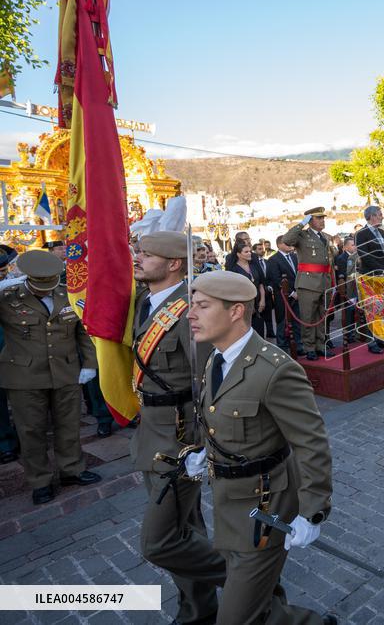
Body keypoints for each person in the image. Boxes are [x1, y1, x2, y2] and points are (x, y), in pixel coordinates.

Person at [185, 271, 335, 624]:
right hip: (229, 503)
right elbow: (220, 415)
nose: (191, 314)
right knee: (258, 595)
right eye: (193, 305)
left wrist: (313, 511)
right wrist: (206, 450)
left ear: (236, 311)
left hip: (265, 508)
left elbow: (311, 443)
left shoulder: (275, 369)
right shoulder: (217, 357)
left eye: (202, 306)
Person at [131, 232, 227, 624]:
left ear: (173, 263)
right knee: (185, 531)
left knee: (166, 540)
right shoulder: (145, 301)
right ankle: (199, 610)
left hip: (179, 440)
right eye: (138, 251)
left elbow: (209, 382)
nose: (137, 258)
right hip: (151, 430)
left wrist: (205, 443)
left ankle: (253, 587)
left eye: (146, 254)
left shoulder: (190, 308)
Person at [0, 250, 101, 505]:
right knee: (31, 430)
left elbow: (84, 331)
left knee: (69, 424)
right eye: (39, 284)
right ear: (28, 277)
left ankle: (72, 470)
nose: (45, 289)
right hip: (24, 376)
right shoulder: (8, 297)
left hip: (65, 371)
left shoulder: (68, 293)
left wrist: (89, 364)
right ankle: (40, 481)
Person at [283, 207, 338, 360]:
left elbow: (331, 259)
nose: (322, 220)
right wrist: (301, 224)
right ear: (310, 220)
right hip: (308, 282)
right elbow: (287, 240)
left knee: (322, 316)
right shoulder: (302, 235)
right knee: (308, 317)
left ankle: (321, 345)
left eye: (323, 218)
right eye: (318, 218)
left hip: (324, 281)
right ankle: (309, 348)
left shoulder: (325, 237)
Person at [354, 205, 384, 354]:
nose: (382, 217)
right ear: (372, 216)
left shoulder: (382, 232)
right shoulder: (361, 234)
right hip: (369, 277)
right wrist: (382, 270)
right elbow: (364, 255)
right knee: (371, 309)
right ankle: (372, 341)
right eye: (380, 215)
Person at [266, 235, 303, 354]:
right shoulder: (273, 260)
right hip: (283, 297)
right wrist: (291, 293)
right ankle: (282, 347)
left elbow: (299, 274)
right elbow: (277, 279)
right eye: (287, 243)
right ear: (279, 245)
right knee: (282, 321)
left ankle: (298, 346)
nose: (290, 245)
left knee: (297, 321)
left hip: (298, 294)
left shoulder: (294, 256)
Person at [0, 245, 20, 464]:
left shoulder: (13, 286)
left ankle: (20, 437)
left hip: (16, 351)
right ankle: (5, 443)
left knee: (22, 401)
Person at [225, 243, 267, 336]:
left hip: (258, 305)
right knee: (245, 334)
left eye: (250, 251)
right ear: (238, 254)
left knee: (259, 333)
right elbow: (233, 289)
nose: (249, 253)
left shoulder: (254, 265)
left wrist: (262, 301)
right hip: (243, 306)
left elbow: (260, 284)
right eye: (246, 252)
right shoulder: (233, 269)